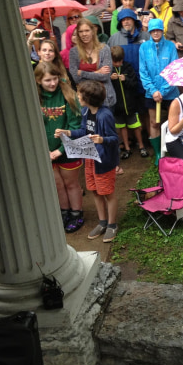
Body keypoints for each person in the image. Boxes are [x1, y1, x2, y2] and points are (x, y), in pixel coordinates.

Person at [55, 80, 120, 243]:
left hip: (104, 162)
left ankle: (112, 224)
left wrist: (102, 140)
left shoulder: (105, 115)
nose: (77, 96)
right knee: (95, 191)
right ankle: (102, 222)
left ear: (88, 98)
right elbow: (84, 130)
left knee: (107, 193)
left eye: (79, 94)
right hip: (90, 159)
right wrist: (67, 132)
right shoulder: (85, 111)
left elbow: (114, 138)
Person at [34, 61, 84, 233]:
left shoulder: (68, 96)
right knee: (57, 184)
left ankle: (77, 213)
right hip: (46, 151)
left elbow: (75, 126)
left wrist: (60, 150)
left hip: (68, 149)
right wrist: (44, 150)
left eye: (55, 79)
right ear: (38, 80)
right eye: (47, 80)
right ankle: (64, 212)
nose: (52, 83)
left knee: (71, 184)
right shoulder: (34, 98)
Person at [139, 19, 179, 165]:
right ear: (149, 31)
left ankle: (174, 150)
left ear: (163, 31)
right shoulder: (144, 48)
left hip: (170, 91)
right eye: (153, 30)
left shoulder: (170, 47)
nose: (156, 32)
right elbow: (143, 72)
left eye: (158, 30)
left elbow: (174, 71)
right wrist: (153, 90)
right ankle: (158, 153)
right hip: (152, 93)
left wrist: (163, 90)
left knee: (174, 121)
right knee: (154, 123)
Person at [109, 45, 147, 162]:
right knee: (122, 127)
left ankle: (141, 146)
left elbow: (134, 83)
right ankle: (127, 148)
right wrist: (110, 78)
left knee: (136, 126)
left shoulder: (128, 67)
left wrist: (126, 80)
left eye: (120, 61)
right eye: (115, 62)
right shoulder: (109, 70)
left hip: (130, 104)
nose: (118, 64)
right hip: (117, 106)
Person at [69, 17, 115, 109]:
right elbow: (76, 78)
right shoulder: (74, 52)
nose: (84, 34)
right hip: (85, 100)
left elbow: (105, 76)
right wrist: (96, 73)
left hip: (105, 99)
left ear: (93, 31)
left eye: (87, 30)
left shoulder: (104, 49)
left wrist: (82, 73)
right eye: (81, 31)